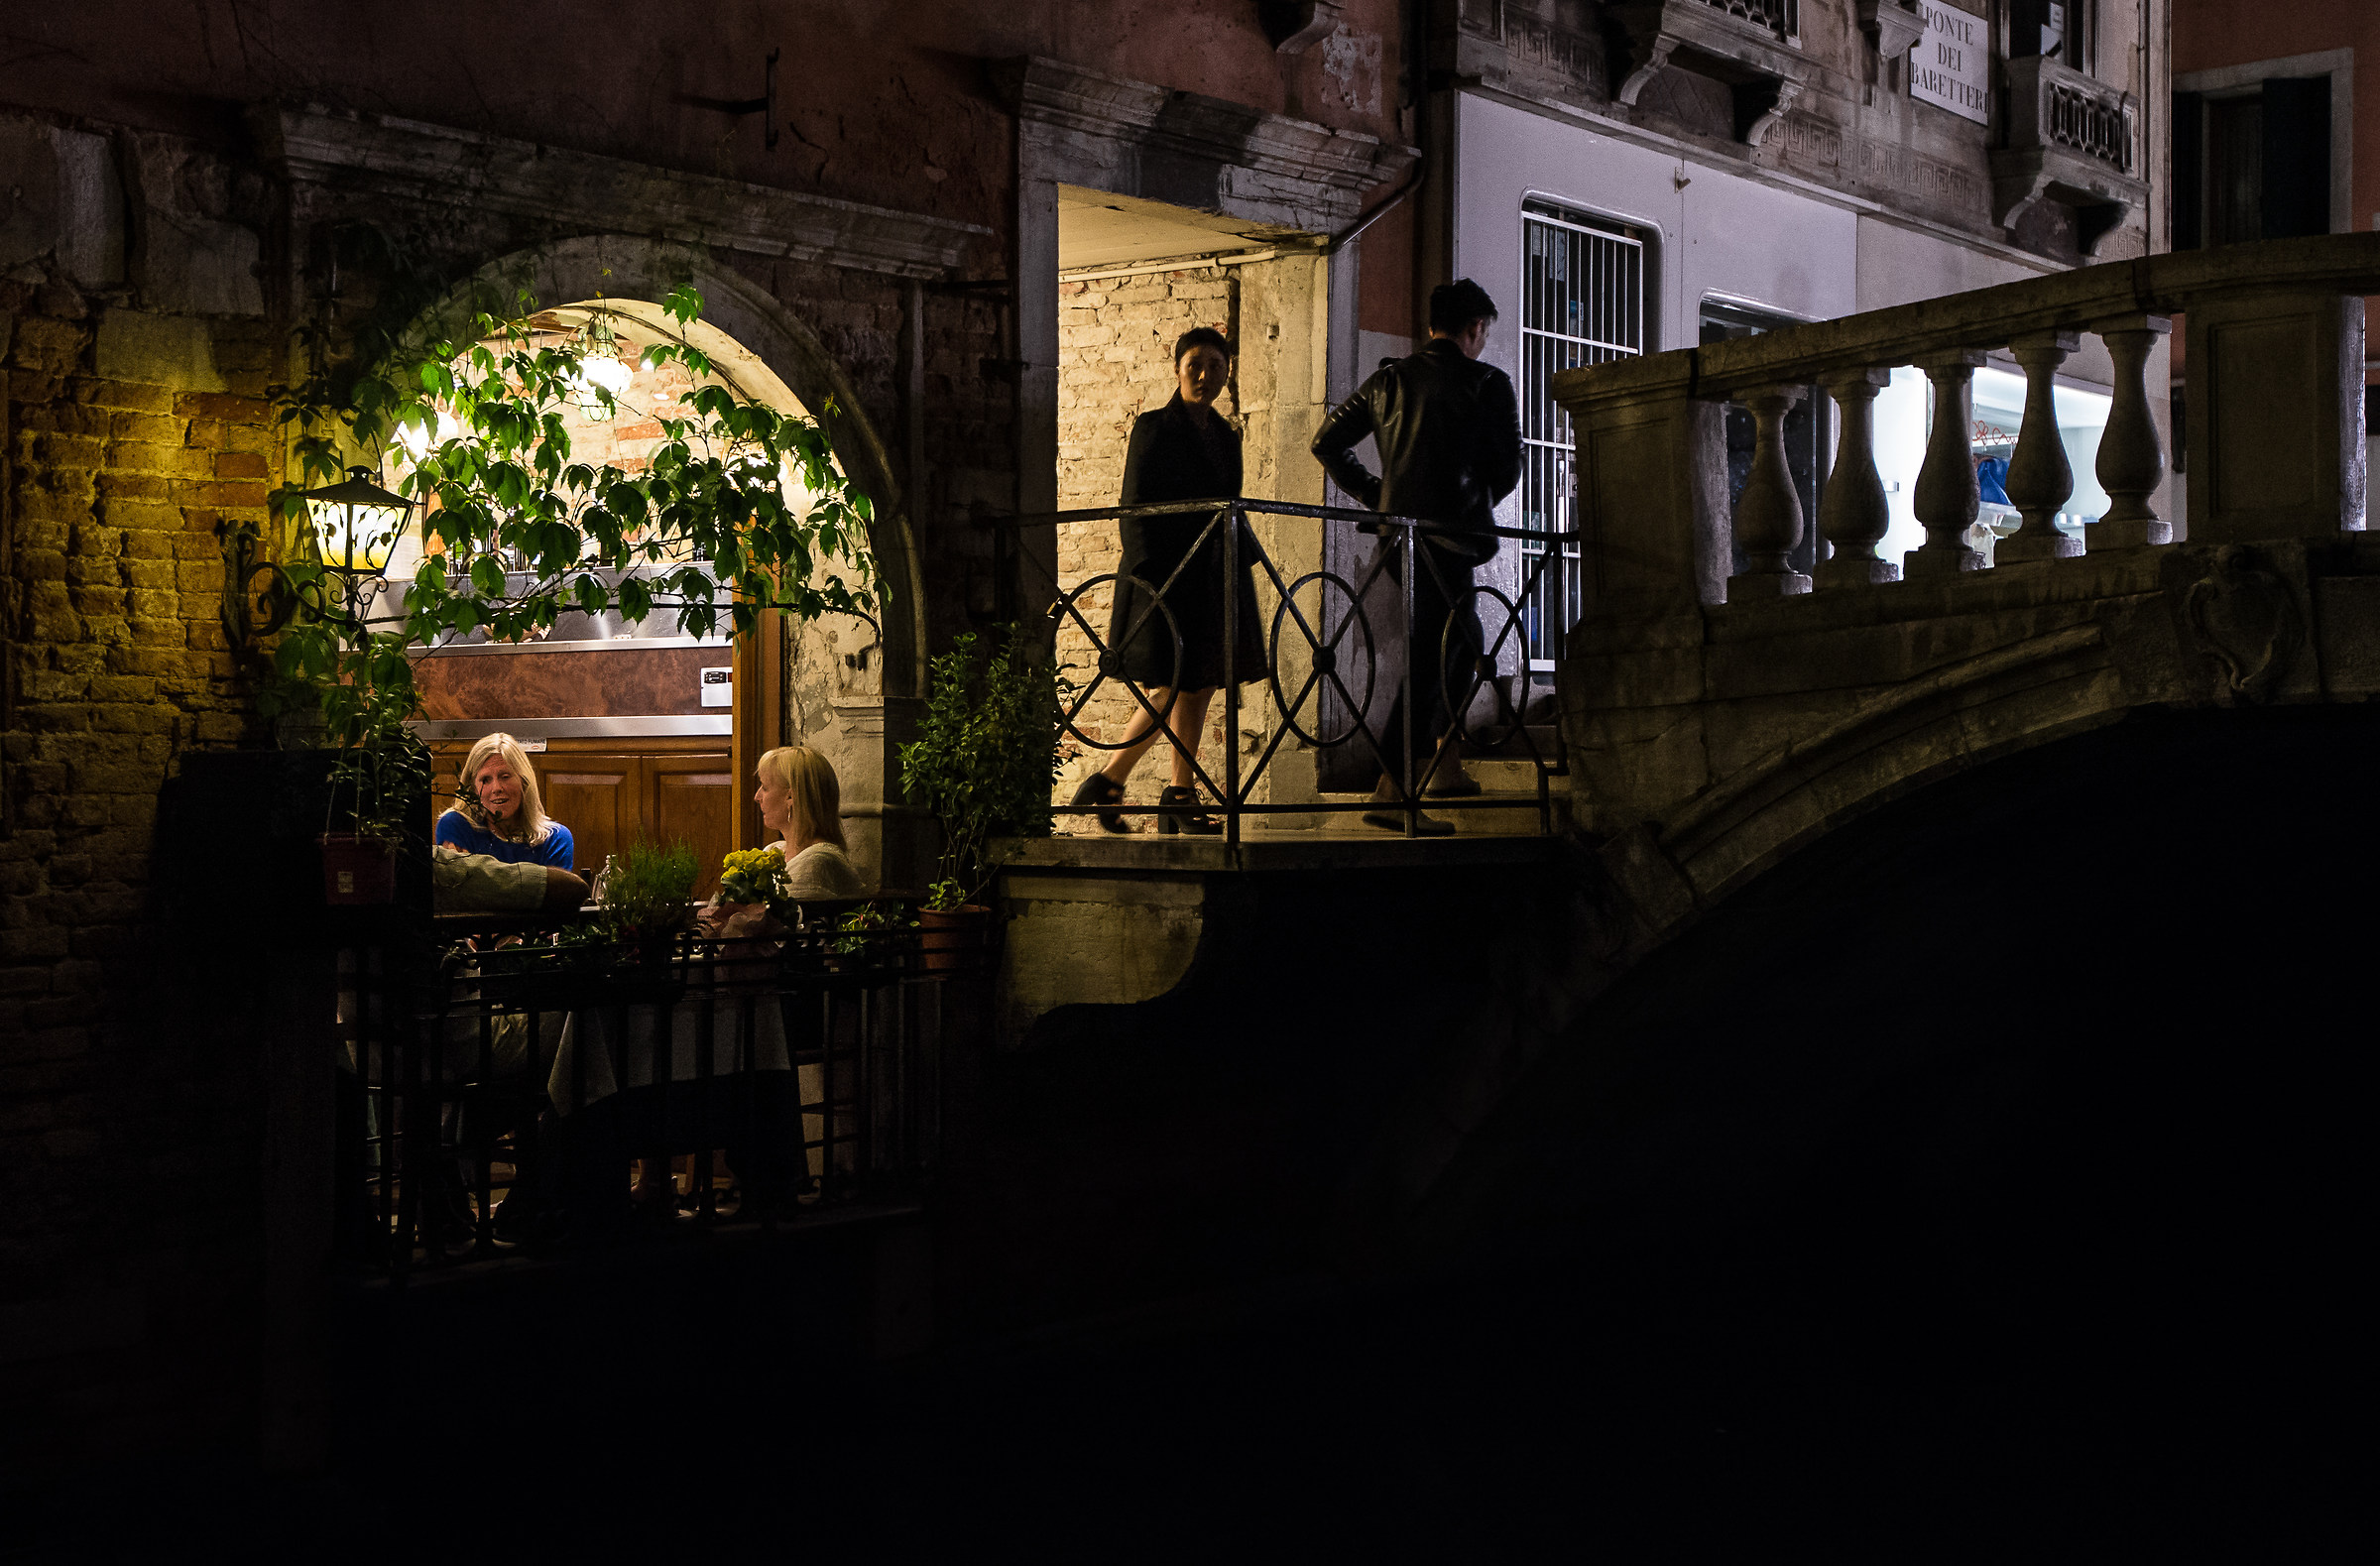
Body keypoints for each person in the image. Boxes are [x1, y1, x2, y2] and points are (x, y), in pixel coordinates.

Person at [1310, 279, 1522, 835]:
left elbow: (1326, 442)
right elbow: (1508, 468)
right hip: (1449, 538)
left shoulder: (1389, 380)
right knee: (1439, 654)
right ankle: (1392, 787)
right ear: (1475, 328)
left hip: (1399, 538)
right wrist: (1471, 501)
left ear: (1431, 326)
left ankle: (1438, 768)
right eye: (1482, 333)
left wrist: (1378, 494)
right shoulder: (1487, 382)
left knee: (1461, 642)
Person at [1069, 326, 1263, 836]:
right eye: (1195, 364)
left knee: (1199, 686)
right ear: (1177, 369)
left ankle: (1179, 793)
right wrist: (1148, 578)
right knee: (1168, 685)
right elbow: (1133, 507)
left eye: (1216, 366)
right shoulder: (1154, 428)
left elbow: (1230, 508)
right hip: (1163, 577)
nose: (1205, 375)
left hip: (1210, 577)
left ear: (1227, 372)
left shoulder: (1226, 436)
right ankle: (1109, 780)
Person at [696, 744, 863, 938]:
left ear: (791, 796)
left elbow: (775, 933)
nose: (756, 796)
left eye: (765, 787)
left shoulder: (818, 861)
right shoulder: (773, 850)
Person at [435, 732, 574, 868]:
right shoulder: (456, 826)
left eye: (505, 776)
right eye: (485, 780)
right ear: (473, 789)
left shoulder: (556, 839)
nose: (496, 788)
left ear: (524, 781)